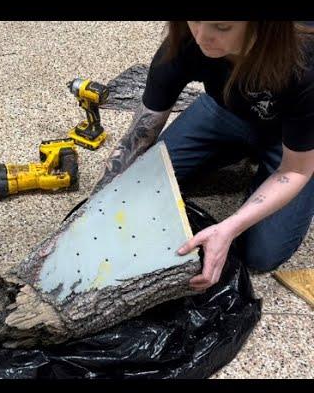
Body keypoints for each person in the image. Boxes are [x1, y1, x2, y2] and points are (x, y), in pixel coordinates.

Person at [108, 21, 314, 291]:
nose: (203, 36)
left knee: (262, 254)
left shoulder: (304, 64)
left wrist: (228, 228)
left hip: (293, 140)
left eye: (222, 26)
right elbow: (142, 131)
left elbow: (294, 171)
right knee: (143, 179)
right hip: (227, 110)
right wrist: (107, 190)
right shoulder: (186, 37)